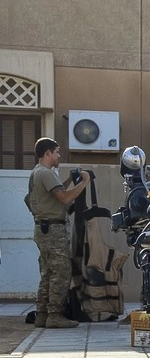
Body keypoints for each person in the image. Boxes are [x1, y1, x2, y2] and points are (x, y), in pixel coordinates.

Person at [25, 137, 90, 329]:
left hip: (43, 228)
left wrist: (69, 179)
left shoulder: (37, 172)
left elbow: (43, 196)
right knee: (61, 271)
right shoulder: (46, 173)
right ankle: (55, 315)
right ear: (48, 153)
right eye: (57, 152)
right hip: (53, 230)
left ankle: (42, 314)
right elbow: (65, 198)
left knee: (48, 273)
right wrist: (84, 182)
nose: (59, 156)